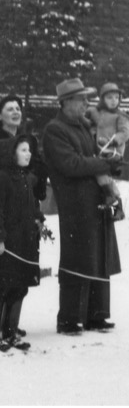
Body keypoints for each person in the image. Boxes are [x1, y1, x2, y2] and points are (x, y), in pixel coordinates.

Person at [41, 78, 122, 336]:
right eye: (81, 99)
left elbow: (90, 158)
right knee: (77, 259)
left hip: (95, 200)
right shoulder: (55, 130)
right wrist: (104, 165)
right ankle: (69, 319)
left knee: (99, 256)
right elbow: (71, 164)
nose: (87, 103)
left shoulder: (84, 126)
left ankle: (96, 316)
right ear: (66, 102)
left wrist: (110, 161)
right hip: (75, 204)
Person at [0, 135, 45, 351]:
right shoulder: (3, 178)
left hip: (25, 242)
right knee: (4, 287)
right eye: (23, 150)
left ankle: (11, 332)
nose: (28, 154)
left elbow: (31, 205)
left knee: (19, 287)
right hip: (9, 244)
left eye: (29, 150)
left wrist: (38, 217)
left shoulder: (26, 177)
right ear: (12, 153)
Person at [86, 83, 129, 221]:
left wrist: (116, 139)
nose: (113, 101)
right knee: (103, 176)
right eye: (109, 97)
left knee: (100, 172)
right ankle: (115, 203)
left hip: (113, 151)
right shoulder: (96, 112)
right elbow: (90, 122)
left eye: (116, 97)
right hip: (99, 149)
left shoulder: (120, 116)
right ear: (102, 99)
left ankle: (112, 198)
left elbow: (125, 132)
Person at [0, 95, 47, 204]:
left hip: (27, 199)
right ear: (0, 116)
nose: (15, 112)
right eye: (10, 109)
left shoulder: (29, 140)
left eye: (18, 109)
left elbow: (40, 168)